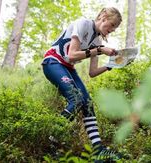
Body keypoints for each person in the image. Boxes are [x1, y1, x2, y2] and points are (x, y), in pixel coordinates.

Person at [42, 7, 123, 161]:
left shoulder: (97, 41)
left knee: (87, 103)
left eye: (114, 28)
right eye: (111, 25)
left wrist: (112, 65)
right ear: (103, 17)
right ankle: (51, 144)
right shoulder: (83, 23)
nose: (111, 30)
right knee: (76, 99)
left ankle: (98, 149)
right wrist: (99, 50)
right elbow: (71, 55)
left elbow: (92, 73)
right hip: (53, 62)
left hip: (68, 67)